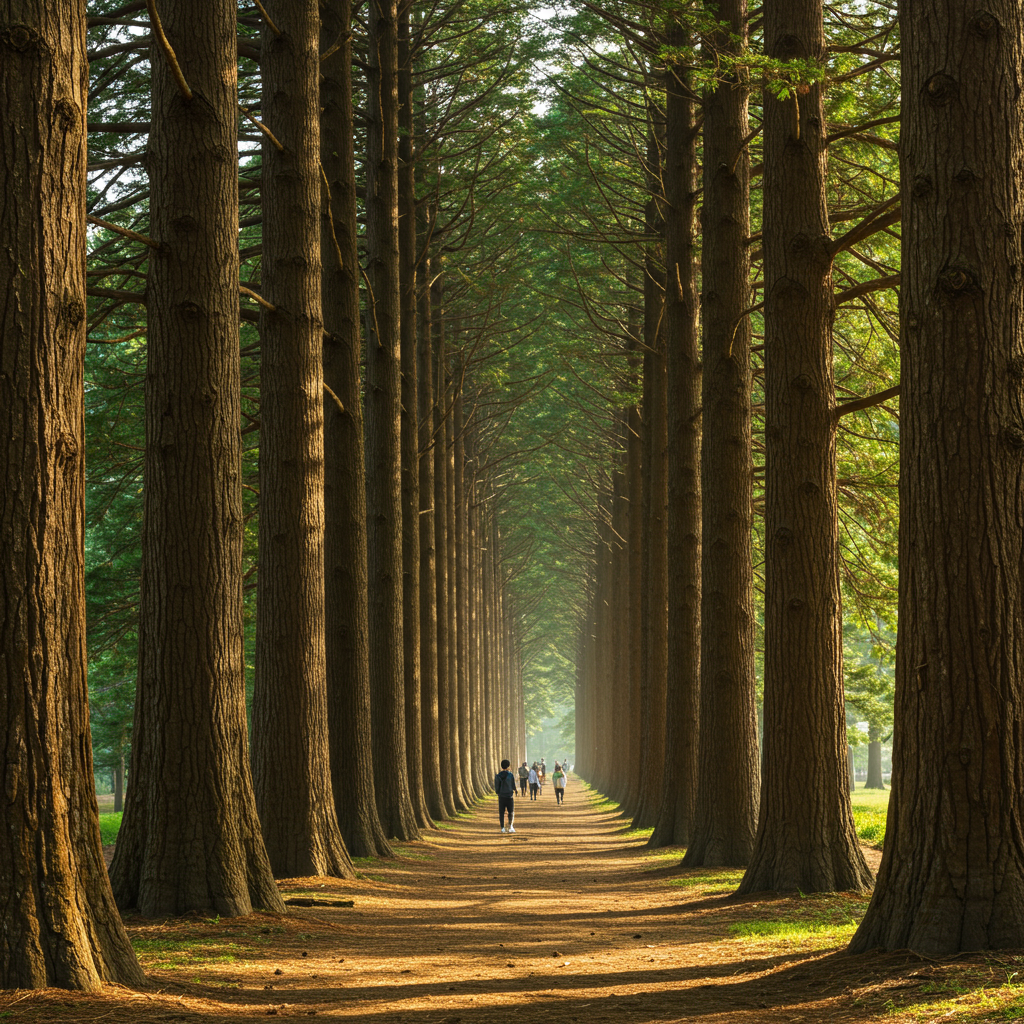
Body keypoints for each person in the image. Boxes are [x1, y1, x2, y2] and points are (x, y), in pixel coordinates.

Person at [495, 758, 517, 833]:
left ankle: (502, 827)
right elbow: (513, 785)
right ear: (508, 766)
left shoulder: (498, 776)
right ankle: (510, 826)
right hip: (509, 796)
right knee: (511, 811)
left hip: (501, 796)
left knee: (501, 812)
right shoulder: (510, 775)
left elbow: (497, 787)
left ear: (501, 766)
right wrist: (514, 790)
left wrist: (498, 792)